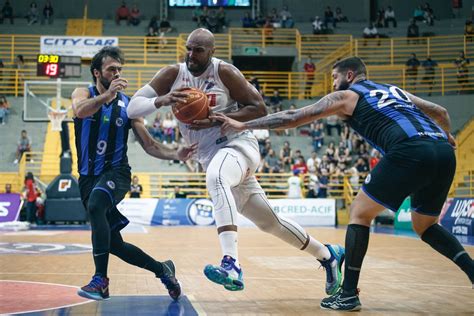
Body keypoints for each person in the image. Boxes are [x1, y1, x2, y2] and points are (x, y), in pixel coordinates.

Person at [212, 56, 474, 311]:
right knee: (425, 225)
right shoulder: (394, 90)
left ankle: (348, 294)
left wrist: (241, 123)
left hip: (410, 150)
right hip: (443, 150)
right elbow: (441, 111)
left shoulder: (348, 95)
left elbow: (292, 117)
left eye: (335, 78)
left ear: (350, 76)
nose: (332, 84)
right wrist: (448, 136)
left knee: (359, 213)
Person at [126, 28, 345, 295]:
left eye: (198, 50)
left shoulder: (224, 72)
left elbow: (259, 107)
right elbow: (132, 108)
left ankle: (231, 265)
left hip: (238, 145)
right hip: (211, 156)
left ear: (212, 52)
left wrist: (226, 119)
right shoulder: (173, 74)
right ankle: (328, 255)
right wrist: (161, 100)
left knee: (216, 177)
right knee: (270, 223)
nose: (191, 54)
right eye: (189, 48)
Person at [71, 46, 196, 301]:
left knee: (97, 204)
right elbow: (80, 110)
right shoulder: (83, 93)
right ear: (97, 72)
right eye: (111, 69)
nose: (117, 74)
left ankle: (101, 281)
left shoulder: (128, 106)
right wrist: (106, 96)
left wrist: (176, 154)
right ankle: (164, 270)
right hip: (87, 178)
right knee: (115, 245)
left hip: (116, 173)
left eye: (119, 69)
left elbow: (150, 145)